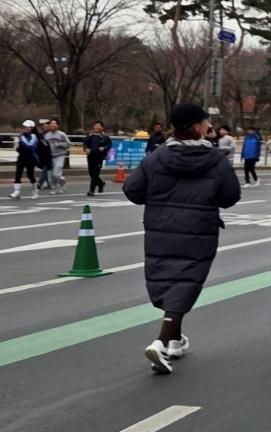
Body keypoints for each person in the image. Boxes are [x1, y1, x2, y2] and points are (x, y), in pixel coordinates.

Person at [123, 103, 241, 375]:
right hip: (199, 231)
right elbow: (230, 197)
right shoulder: (216, 161)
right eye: (205, 122)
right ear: (198, 126)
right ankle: (161, 341)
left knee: (168, 281)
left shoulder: (157, 157)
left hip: (160, 230)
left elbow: (132, 190)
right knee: (187, 281)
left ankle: (176, 340)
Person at [11, 120, 41, 199]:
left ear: (31, 128)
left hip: (31, 157)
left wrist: (22, 145)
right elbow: (23, 145)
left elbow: (30, 145)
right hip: (22, 157)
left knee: (30, 175)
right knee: (18, 173)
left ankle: (35, 189)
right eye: (24, 127)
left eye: (27, 127)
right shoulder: (21, 135)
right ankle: (16, 191)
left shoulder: (34, 136)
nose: (24, 128)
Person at [42, 118, 71, 195]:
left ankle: (61, 182)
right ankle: (56, 186)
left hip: (59, 156)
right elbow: (44, 146)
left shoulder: (61, 134)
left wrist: (60, 144)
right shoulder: (46, 136)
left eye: (54, 123)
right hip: (50, 156)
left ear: (58, 125)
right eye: (51, 124)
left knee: (55, 173)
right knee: (50, 175)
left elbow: (68, 144)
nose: (52, 125)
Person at [84, 121, 112, 197]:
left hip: (99, 157)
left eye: (99, 126)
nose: (97, 127)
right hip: (90, 156)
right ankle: (101, 183)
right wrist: (86, 149)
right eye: (95, 125)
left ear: (102, 128)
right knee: (91, 173)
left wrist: (104, 148)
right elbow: (85, 144)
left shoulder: (104, 137)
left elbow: (109, 145)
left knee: (95, 173)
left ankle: (91, 190)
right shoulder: (89, 136)